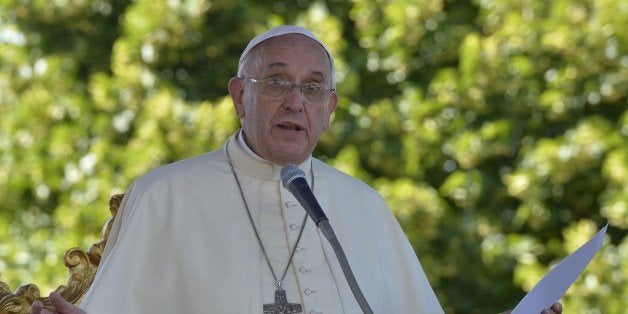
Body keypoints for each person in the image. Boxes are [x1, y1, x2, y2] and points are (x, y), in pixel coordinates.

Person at [30, 25, 563, 314]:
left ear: (329, 109)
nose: (295, 101)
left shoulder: (362, 206)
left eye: (313, 88)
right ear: (240, 96)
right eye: (277, 82)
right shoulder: (164, 195)